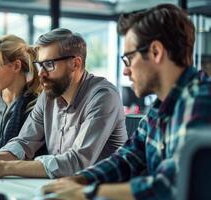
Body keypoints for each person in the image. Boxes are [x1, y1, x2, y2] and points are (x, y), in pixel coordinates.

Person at [42, 4, 211, 200]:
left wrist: (88, 192)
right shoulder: (161, 108)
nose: (125, 71)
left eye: (128, 58)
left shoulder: (199, 101)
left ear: (156, 52)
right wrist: (80, 180)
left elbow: (170, 185)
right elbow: (128, 158)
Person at [0, 28, 127, 178]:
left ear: (75, 63)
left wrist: (2, 167)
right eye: (39, 65)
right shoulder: (48, 96)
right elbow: (23, 142)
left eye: (49, 65)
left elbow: (77, 162)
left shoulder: (103, 96)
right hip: (63, 189)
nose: (41, 74)